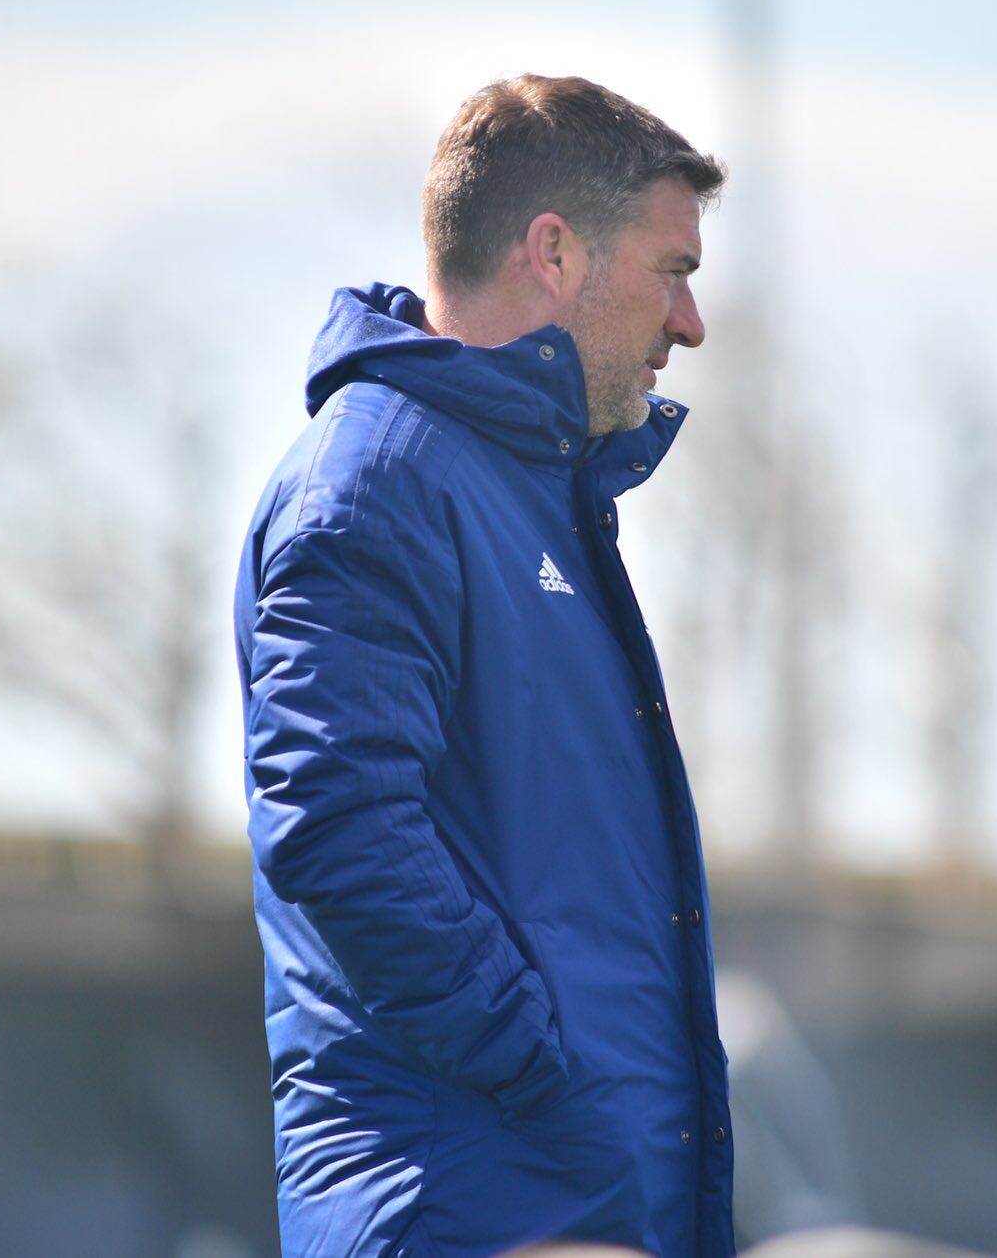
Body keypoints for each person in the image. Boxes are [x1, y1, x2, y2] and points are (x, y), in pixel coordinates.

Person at [234, 74, 733, 1258]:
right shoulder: (380, 480)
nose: (690, 323)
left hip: (559, 1199)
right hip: (474, 1209)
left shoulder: (520, 494)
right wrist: (540, 1069)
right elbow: (336, 829)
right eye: (673, 272)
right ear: (552, 252)